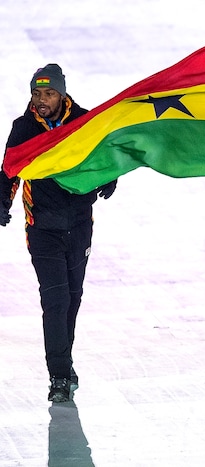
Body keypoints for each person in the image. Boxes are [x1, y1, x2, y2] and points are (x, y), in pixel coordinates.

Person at [0, 64, 117, 402]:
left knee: (72, 299)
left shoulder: (83, 120)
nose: (41, 100)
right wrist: (2, 204)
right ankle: (59, 376)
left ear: (62, 93)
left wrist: (111, 175)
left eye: (48, 93)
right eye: (37, 94)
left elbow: (105, 153)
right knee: (56, 301)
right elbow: (9, 170)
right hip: (43, 229)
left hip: (80, 226)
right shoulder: (24, 129)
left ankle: (63, 360)